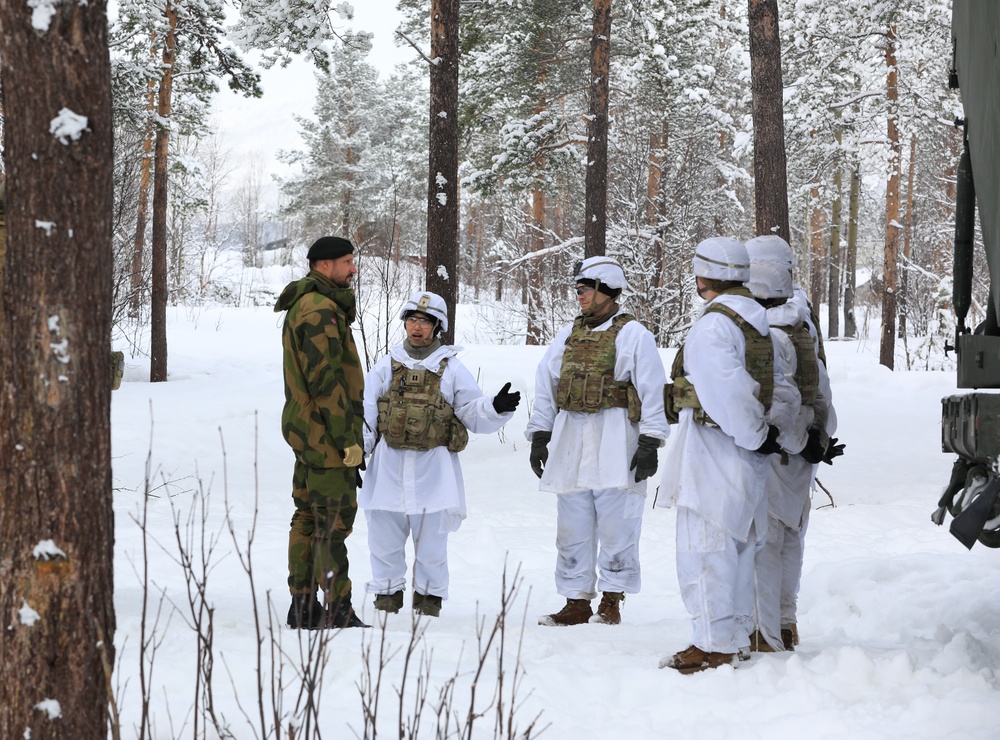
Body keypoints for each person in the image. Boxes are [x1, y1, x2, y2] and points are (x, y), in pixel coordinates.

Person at [658, 237, 798, 673]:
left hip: (716, 455)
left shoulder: (714, 327)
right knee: (738, 552)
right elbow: (785, 388)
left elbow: (728, 393)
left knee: (704, 552)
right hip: (747, 461)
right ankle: (735, 636)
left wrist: (755, 434)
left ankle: (713, 645)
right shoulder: (762, 324)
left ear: (703, 276)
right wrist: (770, 433)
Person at [526, 256, 670, 627]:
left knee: (618, 524)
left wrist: (651, 440)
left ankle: (611, 599)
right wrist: (541, 434)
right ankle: (575, 600)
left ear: (607, 289)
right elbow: (546, 385)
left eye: (585, 289)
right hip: (572, 438)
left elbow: (652, 390)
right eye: (578, 290)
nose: (580, 297)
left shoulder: (634, 335)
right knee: (571, 526)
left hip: (617, 438)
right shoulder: (567, 335)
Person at [360, 291, 520, 617]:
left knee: (432, 548)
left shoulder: (451, 369)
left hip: (433, 471)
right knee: (383, 542)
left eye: (425, 321)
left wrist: (495, 408)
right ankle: (386, 601)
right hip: (388, 468)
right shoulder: (386, 366)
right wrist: (356, 455)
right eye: (412, 320)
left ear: (437, 326)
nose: (417, 327)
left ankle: (428, 603)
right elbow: (367, 415)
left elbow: (472, 412)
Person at [744, 235, 842, 650]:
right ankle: (784, 624)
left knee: (765, 542)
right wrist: (818, 436)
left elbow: (775, 399)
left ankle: (766, 633)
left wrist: (800, 439)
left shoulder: (766, 328)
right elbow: (820, 387)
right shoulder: (801, 320)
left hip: (775, 446)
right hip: (802, 447)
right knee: (789, 538)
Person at [274, 235, 367, 629]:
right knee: (331, 523)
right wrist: (347, 439)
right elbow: (324, 380)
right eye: (347, 261)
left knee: (308, 518)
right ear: (323, 265)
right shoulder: (319, 310)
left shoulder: (313, 304)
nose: (353, 268)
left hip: (308, 431)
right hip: (325, 435)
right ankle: (336, 608)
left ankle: (303, 605)